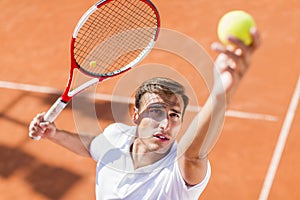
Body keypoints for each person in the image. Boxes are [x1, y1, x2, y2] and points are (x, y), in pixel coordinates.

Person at [29, 28, 260, 199]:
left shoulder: (177, 172)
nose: (165, 124)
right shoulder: (116, 136)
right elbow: (92, 146)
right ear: (135, 115)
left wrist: (220, 96)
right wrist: (55, 134)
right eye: (156, 111)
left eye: (174, 115)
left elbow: (193, 156)